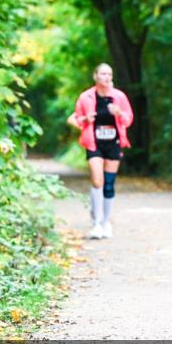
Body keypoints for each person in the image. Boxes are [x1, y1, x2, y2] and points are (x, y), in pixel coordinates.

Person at [67, 63, 134, 239]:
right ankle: (96, 223)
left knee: (109, 183)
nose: (107, 77)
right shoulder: (86, 97)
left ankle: (106, 222)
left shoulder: (119, 97)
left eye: (109, 74)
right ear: (95, 76)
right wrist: (85, 119)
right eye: (103, 74)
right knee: (98, 181)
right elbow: (75, 119)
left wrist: (119, 113)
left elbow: (128, 120)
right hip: (93, 142)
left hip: (114, 142)